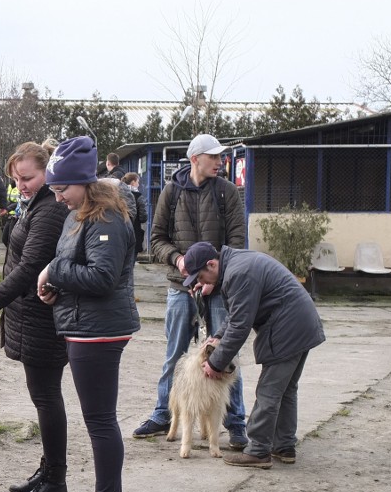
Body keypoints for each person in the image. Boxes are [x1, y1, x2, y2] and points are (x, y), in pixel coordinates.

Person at [38, 136, 140, 492]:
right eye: (54, 189)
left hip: (100, 331)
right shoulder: (78, 214)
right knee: (97, 419)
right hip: (82, 324)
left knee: (100, 421)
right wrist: (54, 287)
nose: (58, 196)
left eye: (62, 188)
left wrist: (54, 274)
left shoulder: (107, 220)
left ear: (84, 181)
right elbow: (72, 267)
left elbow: (100, 278)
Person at [0, 140, 71, 492]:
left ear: (47, 172)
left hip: (42, 317)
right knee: (42, 398)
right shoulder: (35, 204)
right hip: (29, 316)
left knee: (47, 398)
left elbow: (29, 268)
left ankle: (56, 480)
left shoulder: (51, 211)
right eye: (16, 179)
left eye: (28, 177)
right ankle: (49, 469)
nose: (21, 185)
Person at [132, 134, 248, 449]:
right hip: (180, 286)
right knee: (177, 354)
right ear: (195, 158)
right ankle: (163, 414)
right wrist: (178, 259)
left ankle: (236, 424)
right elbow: (156, 239)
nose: (220, 162)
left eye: (220, 157)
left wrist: (216, 277)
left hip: (219, 287)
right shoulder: (171, 192)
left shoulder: (227, 193)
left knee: (227, 353)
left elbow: (238, 240)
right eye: (214, 157)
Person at [180, 241, 326, 468]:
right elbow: (236, 314)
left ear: (211, 264)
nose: (201, 283)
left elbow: (240, 326)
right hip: (301, 324)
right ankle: (284, 446)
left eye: (200, 277)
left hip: (288, 328)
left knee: (268, 391)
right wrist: (217, 336)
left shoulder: (238, 274)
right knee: (285, 390)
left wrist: (215, 364)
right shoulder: (236, 265)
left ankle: (258, 450)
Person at [122, 172, 149, 253]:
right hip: (134, 231)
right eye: (138, 182)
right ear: (133, 182)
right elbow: (143, 217)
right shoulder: (138, 196)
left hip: (120, 232)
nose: (138, 184)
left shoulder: (118, 194)